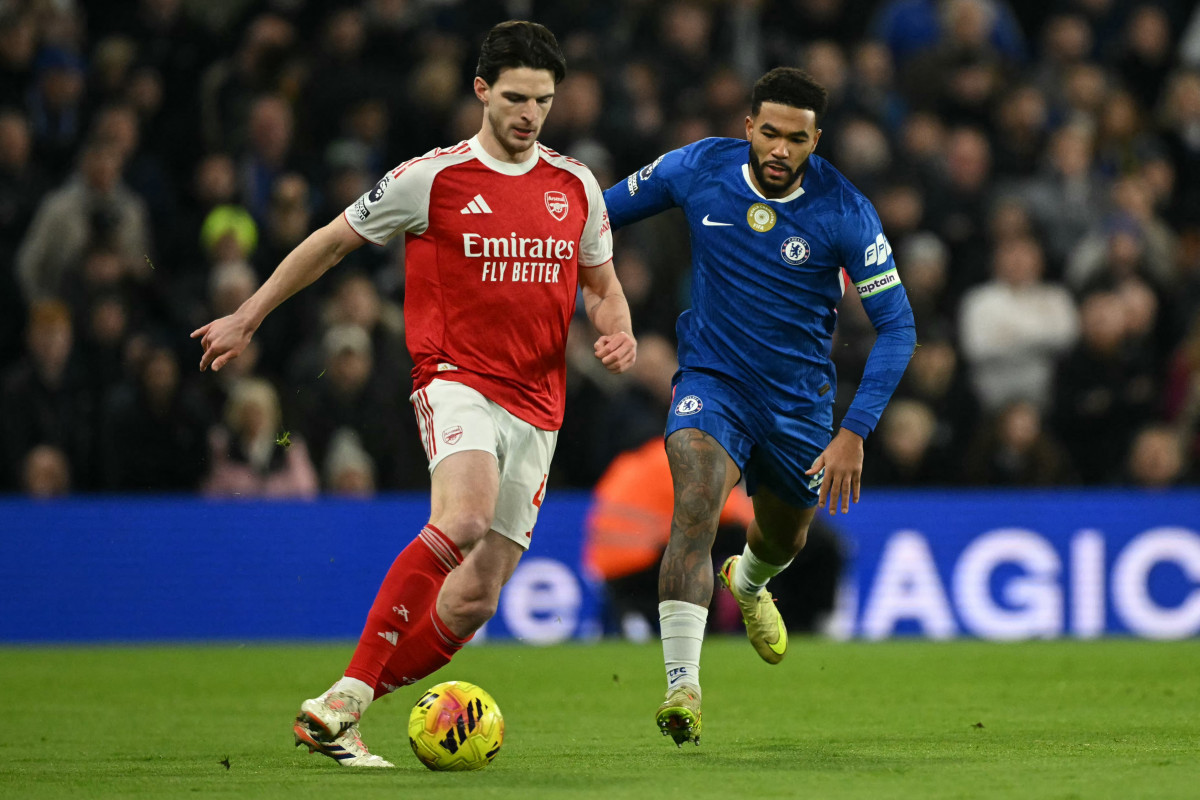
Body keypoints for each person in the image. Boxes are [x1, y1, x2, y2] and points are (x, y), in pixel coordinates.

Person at [191, 20, 636, 768]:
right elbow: (331, 242)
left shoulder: (575, 186)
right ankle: (343, 699)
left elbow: (603, 284)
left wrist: (616, 329)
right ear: (482, 92)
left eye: (544, 101)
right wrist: (247, 314)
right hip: (455, 379)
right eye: (518, 98)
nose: (531, 114)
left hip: (539, 406)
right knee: (460, 518)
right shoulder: (430, 178)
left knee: (475, 598)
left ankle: (347, 704)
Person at [603, 67, 915, 746]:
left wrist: (854, 431)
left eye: (796, 139)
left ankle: (746, 581)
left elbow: (899, 326)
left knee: (784, 539)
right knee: (695, 502)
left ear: (815, 140)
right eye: (769, 132)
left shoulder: (845, 209)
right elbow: (596, 215)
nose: (779, 149)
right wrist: (592, 293)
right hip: (713, 383)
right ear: (748, 125)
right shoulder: (697, 167)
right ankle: (682, 685)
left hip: (799, 407)